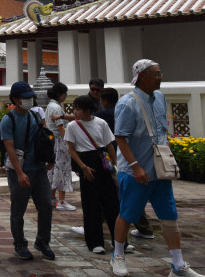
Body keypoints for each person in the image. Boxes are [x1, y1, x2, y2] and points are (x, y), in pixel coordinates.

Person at [110, 60, 204, 277]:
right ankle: (117, 255)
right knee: (127, 214)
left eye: (160, 73)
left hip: (160, 170)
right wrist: (135, 167)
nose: (160, 77)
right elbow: (120, 138)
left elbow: (162, 130)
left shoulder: (160, 98)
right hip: (135, 171)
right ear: (141, 76)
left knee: (169, 215)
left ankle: (178, 264)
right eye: (156, 74)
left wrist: (168, 157)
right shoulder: (127, 104)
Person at [0, 81, 55, 261]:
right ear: (15, 99)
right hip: (20, 171)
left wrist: (48, 159)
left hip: (38, 170)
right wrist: (20, 172)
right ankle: (20, 244)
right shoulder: (9, 120)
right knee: (18, 210)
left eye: (31, 97)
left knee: (46, 206)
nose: (29, 100)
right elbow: (10, 149)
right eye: (25, 98)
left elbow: (42, 139)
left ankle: (42, 241)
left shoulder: (35, 116)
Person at [98, 87, 155, 241]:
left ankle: (97, 227)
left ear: (105, 101)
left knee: (118, 194)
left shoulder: (104, 116)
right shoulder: (127, 109)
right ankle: (144, 228)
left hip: (120, 159)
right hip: (130, 159)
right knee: (127, 195)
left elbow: (117, 138)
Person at [65, 95, 119, 254]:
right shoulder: (72, 126)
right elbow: (71, 149)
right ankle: (95, 241)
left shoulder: (100, 123)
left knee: (112, 203)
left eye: (78, 109)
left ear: (88, 110)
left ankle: (120, 240)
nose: (75, 112)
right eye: (74, 108)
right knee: (91, 204)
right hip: (86, 161)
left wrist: (116, 163)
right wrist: (83, 167)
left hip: (101, 160)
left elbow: (109, 144)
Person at [44, 82, 75, 212]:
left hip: (52, 141)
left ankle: (52, 198)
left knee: (54, 170)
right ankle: (61, 201)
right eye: (64, 94)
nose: (65, 96)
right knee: (62, 169)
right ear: (60, 94)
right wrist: (69, 143)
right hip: (59, 141)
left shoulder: (50, 106)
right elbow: (60, 127)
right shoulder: (56, 108)